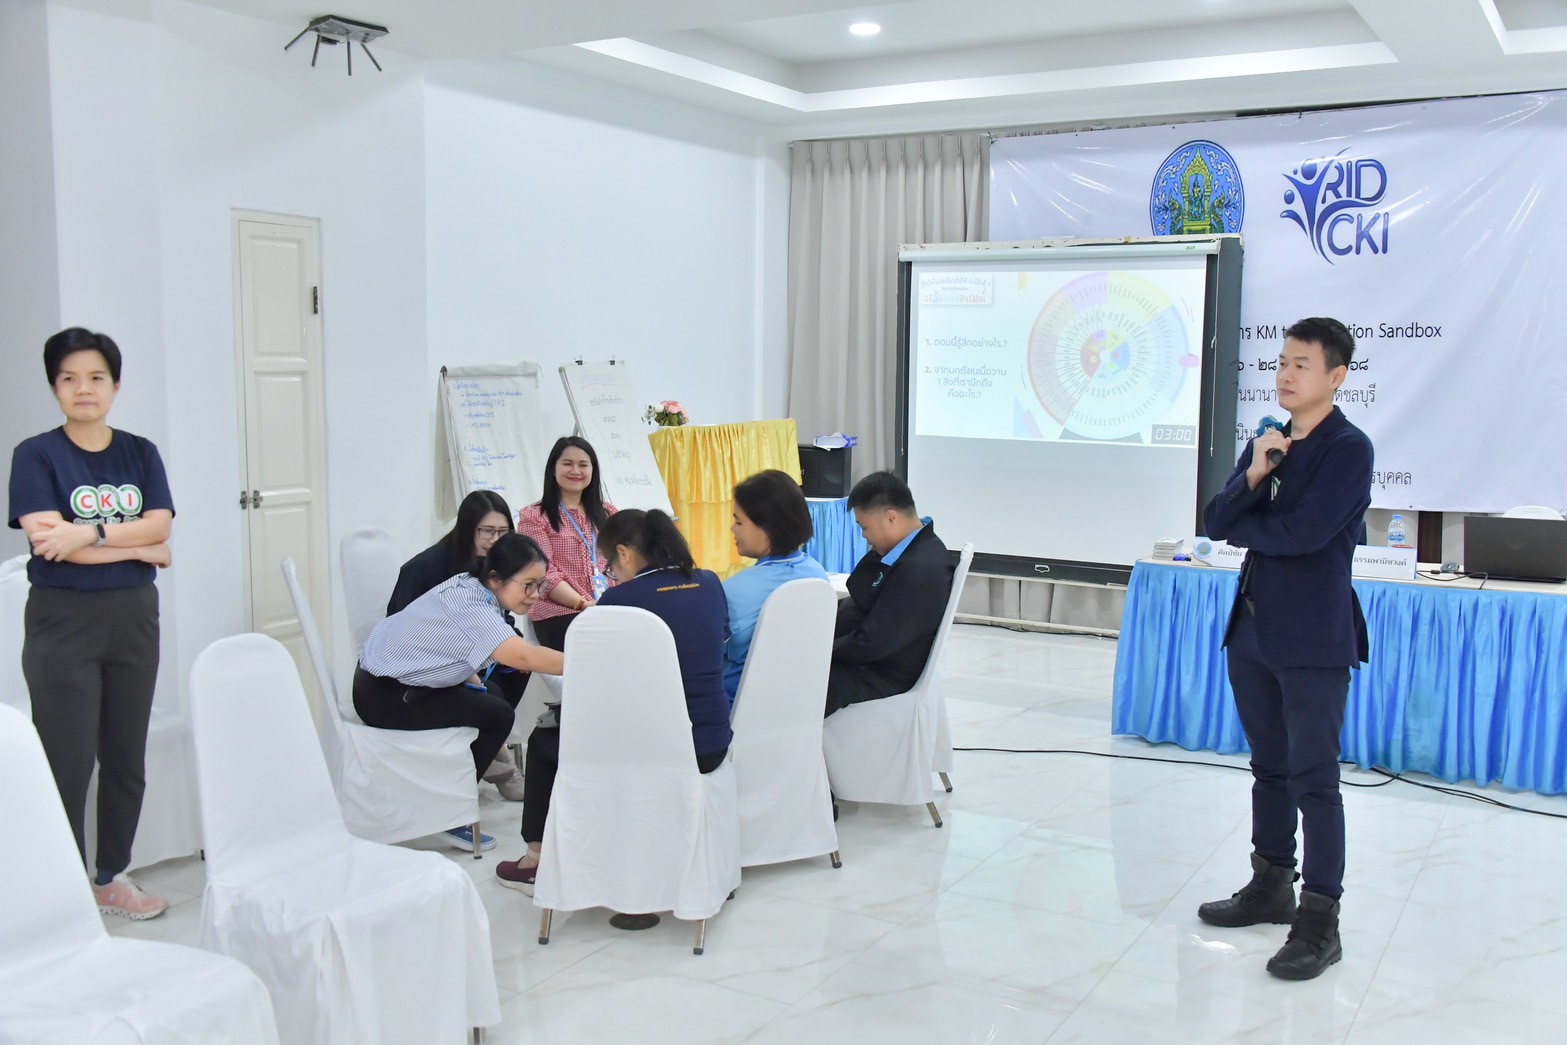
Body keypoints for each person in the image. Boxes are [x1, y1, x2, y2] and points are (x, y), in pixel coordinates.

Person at [1197, 317, 1373, 981]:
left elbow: (1303, 534)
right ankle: (1271, 882)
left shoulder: (1347, 449)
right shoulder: (1269, 438)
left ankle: (1320, 922)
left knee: (1313, 780)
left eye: (1302, 363)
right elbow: (1216, 521)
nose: (1286, 373)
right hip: (1251, 632)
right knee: (1268, 767)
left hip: (1311, 638)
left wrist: (1249, 525)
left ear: (1335, 376)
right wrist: (1254, 474)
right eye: (1282, 361)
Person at [8, 328, 176, 920]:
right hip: (64, 623)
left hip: (134, 618)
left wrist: (90, 533)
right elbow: (52, 547)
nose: (84, 389)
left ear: (115, 385)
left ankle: (111, 878)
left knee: (126, 756)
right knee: (68, 760)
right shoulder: (35, 455)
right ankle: (59, 890)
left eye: (96, 377)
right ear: (55, 387)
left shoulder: (140, 452)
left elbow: (162, 527)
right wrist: (138, 546)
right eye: (70, 378)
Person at [496, 509, 731, 893]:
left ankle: (536, 860)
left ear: (624, 553)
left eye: (609, 565)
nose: (611, 574)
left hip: (655, 752)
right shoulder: (709, 582)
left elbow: (598, 686)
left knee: (544, 741)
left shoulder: (620, 600)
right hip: (712, 741)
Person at [354, 533, 565, 852]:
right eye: (528, 585)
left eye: (540, 585)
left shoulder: (469, 585)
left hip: (387, 680)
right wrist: (587, 658)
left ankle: (456, 783)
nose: (535, 595)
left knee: (493, 693)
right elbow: (523, 657)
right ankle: (448, 813)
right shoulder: (472, 607)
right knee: (498, 715)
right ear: (496, 578)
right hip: (386, 697)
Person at [387, 489, 527, 800]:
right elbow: (403, 630)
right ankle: (480, 764)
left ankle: (487, 748)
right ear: (467, 528)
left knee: (517, 669)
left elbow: (500, 615)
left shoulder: (495, 564)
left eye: (503, 532)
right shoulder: (426, 568)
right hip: (428, 668)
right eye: (487, 531)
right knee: (492, 698)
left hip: (474, 658)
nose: (495, 540)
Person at [827, 472, 953, 716]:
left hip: (880, 673)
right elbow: (860, 586)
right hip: (870, 660)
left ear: (891, 518)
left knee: (796, 681)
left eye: (865, 527)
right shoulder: (906, 549)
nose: (864, 536)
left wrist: (819, 650)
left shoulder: (919, 568)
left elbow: (872, 643)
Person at [722, 468, 829, 702]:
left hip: (737, 704)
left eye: (739, 521)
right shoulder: (818, 575)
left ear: (768, 529)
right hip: (801, 700)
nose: (733, 528)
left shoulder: (733, 592)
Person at [517, 437, 617, 651]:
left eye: (583, 465)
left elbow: (624, 562)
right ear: (553, 469)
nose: (576, 471)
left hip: (609, 609)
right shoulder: (534, 517)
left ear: (593, 470)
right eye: (567, 463)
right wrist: (583, 604)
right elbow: (544, 574)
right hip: (561, 613)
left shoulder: (608, 513)